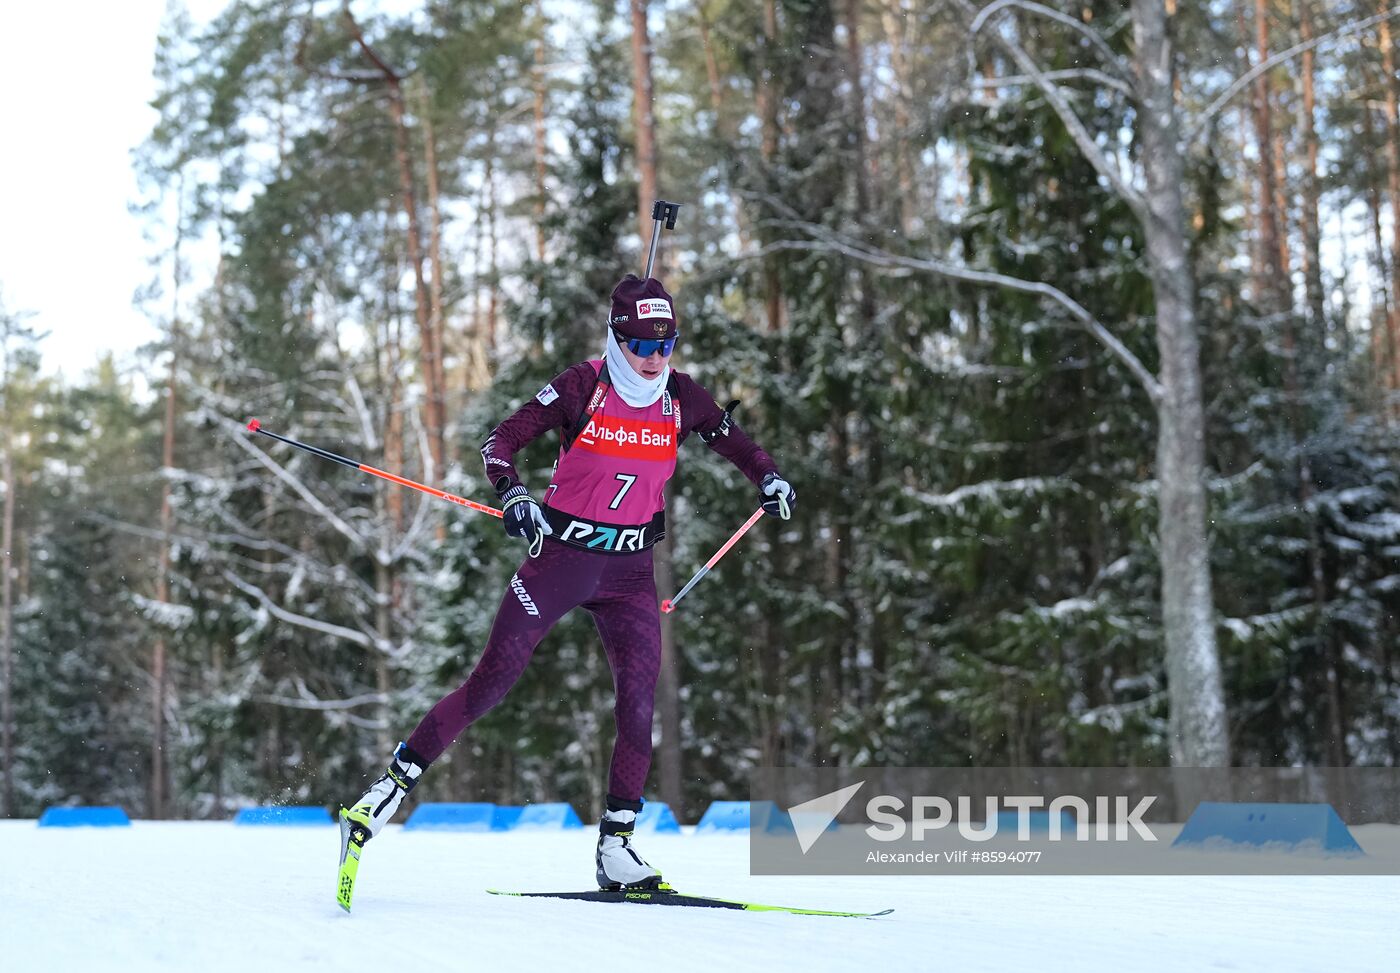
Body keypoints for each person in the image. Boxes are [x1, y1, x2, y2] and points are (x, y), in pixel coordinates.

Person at [341, 274, 795, 890]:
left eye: (668, 345)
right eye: (643, 345)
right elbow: (500, 442)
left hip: (630, 573)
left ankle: (617, 846)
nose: (657, 358)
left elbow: (738, 445)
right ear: (616, 337)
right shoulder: (584, 386)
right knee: (490, 685)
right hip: (560, 561)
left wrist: (768, 478)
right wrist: (515, 495)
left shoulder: (682, 396)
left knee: (639, 704)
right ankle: (383, 795)